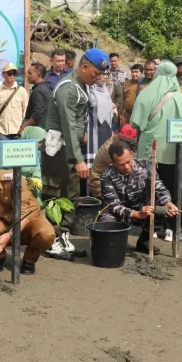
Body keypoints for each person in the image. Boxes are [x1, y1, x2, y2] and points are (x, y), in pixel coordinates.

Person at [42, 48, 109, 257]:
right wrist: (78, 159)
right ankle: (50, 239)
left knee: (71, 194)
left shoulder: (81, 85)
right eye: (96, 73)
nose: (98, 78)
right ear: (85, 67)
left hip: (70, 148)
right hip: (60, 150)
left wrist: (84, 134)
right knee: (56, 194)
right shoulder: (68, 89)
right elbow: (68, 126)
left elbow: (79, 117)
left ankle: (63, 236)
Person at [130, 60, 182, 242]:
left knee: (150, 188)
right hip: (173, 153)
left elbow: (135, 123)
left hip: (149, 150)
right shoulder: (180, 97)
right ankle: (172, 228)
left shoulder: (146, 94)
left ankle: (151, 227)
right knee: (171, 189)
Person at [99, 141, 179, 253]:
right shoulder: (107, 176)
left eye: (128, 161)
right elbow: (113, 205)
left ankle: (144, 242)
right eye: (121, 164)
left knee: (161, 209)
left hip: (144, 207)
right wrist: (136, 214)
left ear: (131, 154)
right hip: (120, 212)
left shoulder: (146, 166)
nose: (126, 167)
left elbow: (159, 187)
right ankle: (114, 245)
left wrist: (167, 202)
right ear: (113, 162)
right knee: (106, 222)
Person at [89, 124, 139, 199]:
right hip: (99, 184)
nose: (125, 144)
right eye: (123, 140)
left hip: (112, 181)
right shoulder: (110, 149)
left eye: (128, 142)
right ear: (116, 134)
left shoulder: (124, 146)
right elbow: (123, 172)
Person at [86, 71, 116, 169]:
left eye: (106, 75)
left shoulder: (105, 90)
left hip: (105, 128)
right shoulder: (89, 89)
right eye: (101, 74)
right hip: (93, 127)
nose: (104, 77)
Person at [0, 63, 28, 146]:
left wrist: (23, 128)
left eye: (14, 74)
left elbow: (26, 111)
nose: (12, 76)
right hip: (1, 131)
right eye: (9, 73)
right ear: (3, 75)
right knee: (2, 157)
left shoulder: (22, 91)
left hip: (17, 131)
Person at [22, 62, 51, 130]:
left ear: (38, 75)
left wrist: (24, 127)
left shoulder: (38, 91)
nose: (27, 75)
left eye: (30, 73)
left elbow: (37, 114)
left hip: (38, 131)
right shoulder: (46, 88)